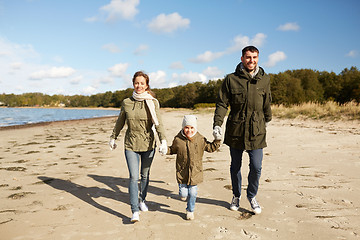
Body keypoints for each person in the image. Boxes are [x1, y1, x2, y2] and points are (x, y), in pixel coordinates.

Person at [212, 46, 272, 215]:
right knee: (235, 166)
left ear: (258, 58)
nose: (251, 60)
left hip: (257, 131)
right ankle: (236, 195)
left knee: (256, 166)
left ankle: (252, 196)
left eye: (254, 57)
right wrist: (217, 124)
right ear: (241, 58)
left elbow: (267, 102)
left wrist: (267, 120)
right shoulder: (231, 79)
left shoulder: (265, 79)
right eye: (248, 57)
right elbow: (222, 104)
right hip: (236, 130)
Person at [109, 71, 167, 222]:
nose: (139, 85)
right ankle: (134, 210)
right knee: (134, 177)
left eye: (142, 83)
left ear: (147, 85)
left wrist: (164, 141)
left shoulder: (153, 102)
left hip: (148, 144)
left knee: (145, 175)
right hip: (131, 144)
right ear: (133, 84)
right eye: (136, 83)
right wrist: (113, 137)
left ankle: (142, 200)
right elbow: (120, 121)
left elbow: (158, 124)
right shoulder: (126, 102)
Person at [166, 115, 221, 220]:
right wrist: (165, 150)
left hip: (195, 172)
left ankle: (190, 210)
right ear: (183, 128)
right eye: (186, 127)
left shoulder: (200, 139)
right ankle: (182, 193)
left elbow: (210, 148)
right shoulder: (178, 139)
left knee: (193, 192)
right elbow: (172, 149)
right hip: (182, 172)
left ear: (195, 128)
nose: (189, 130)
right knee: (183, 193)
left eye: (192, 128)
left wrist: (217, 140)